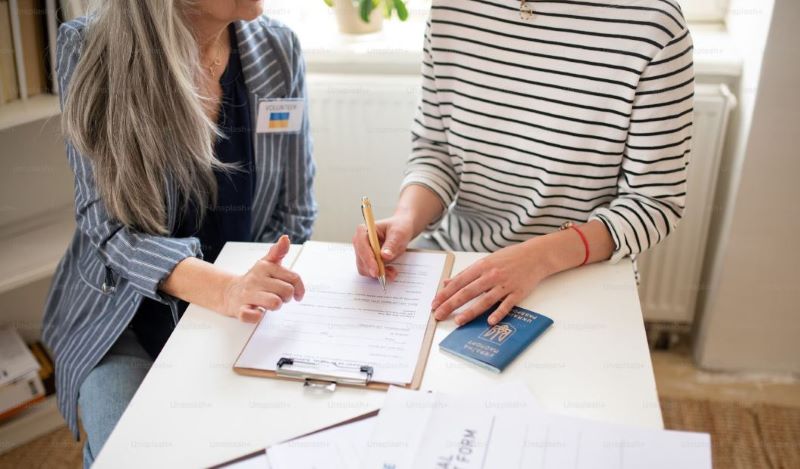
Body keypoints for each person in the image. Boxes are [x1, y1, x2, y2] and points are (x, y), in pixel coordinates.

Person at [42, 0, 316, 465]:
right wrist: (223, 289)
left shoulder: (278, 49)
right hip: (122, 316)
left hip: (239, 316)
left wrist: (255, 288)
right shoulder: (91, 48)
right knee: (135, 457)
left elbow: (295, 209)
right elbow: (106, 226)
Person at [354, 0, 693, 326]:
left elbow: (653, 203)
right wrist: (406, 218)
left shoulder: (654, 23)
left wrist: (539, 257)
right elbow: (436, 149)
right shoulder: (451, 7)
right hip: (462, 262)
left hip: (578, 273)